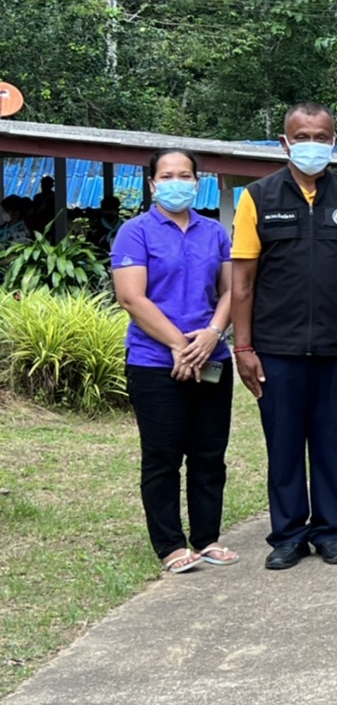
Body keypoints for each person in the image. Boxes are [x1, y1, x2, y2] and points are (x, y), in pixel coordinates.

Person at [231, 103, 337, 570]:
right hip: (276, 348)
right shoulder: (257, 197)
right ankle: (289, 535)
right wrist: (243, 346)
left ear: (334, 142)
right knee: (285, 445)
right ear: (284, 143)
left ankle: (330, 532)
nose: (311, 145)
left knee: (332, 444)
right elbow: (242, 282)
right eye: (302, 137)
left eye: (321, 137)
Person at [112, 150, 236, 574]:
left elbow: (230, 291)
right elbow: (131, 298)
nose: (176, 183)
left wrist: (213, 334)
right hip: (154, 362)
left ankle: (207, 538)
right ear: (152, 184)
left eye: (185, 175)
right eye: (167, 176)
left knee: (209, 453)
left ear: (197, 182)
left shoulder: (214, 232)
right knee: (162, 455)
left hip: (212, 358)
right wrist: (180, 346)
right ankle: (170, 544)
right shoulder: (135, 233)